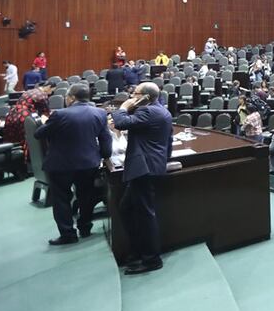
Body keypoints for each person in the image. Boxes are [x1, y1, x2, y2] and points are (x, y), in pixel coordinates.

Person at [33, 84, 112, 245]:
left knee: (62, 198)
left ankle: (68, 234)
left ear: (71, 98)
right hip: (89, 163)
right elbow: (106, 139)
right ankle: (85, 228)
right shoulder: (100, 113)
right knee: (86, 196)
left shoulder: (60, 114)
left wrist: (44, 122)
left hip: (61, 165)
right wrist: (104, 156)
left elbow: (38, 134)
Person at [110, 82, 172, 275]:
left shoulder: (148, 111)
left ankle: (152, 259)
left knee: (145, 215)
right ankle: (138, 250)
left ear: (145, 97)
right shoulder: (162, 111)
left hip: (144, 168)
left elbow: (120, 123)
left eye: (135, 94)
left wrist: (123, 107)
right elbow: (168, 142)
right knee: (126, 207)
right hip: (150, 166)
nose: (131, 97)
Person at [2, 83, 51, 160]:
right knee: (27, 138)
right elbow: (46, 112)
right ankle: (26, 161)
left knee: (13, 139)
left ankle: (12, 159)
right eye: (51, 91)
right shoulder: (42, 94)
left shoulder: (29, 91)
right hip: (24, 116)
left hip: (13, 114)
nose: (50, 93)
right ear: (49, 87)